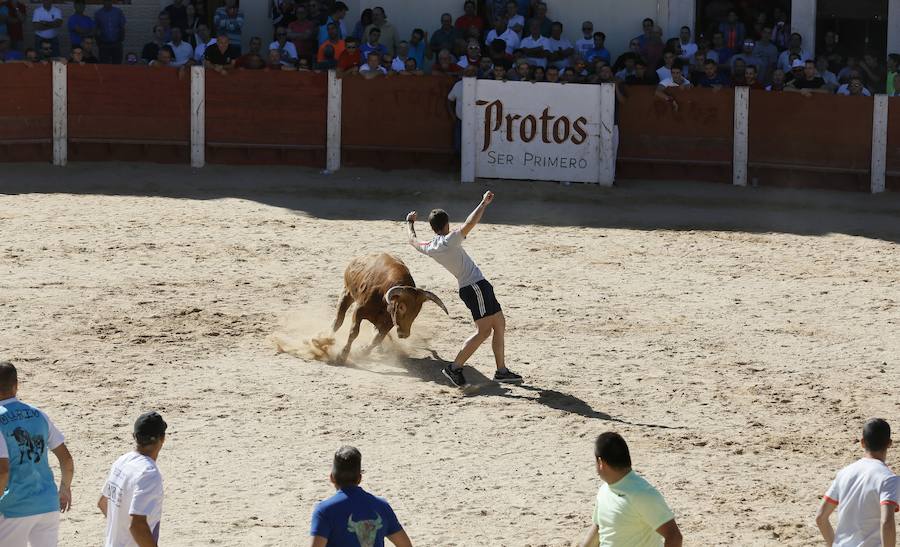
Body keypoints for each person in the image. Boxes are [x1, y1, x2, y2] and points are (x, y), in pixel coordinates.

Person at [406, 192, 523, 387]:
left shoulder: (431, 246)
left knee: (499, 323)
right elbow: (470, 223)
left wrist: (409, 222)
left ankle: (501, 371)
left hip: (475, 286)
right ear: (447, 224)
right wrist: (483, 203)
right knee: (484, 331)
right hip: (475, 287)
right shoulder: (449, 240)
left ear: (433, 228)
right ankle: (454, 367)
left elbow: (413, 240)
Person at [0, 361, 74, 547]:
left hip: (13, 506)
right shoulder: (39, 414)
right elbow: (66, 459)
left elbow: (2, 472)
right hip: (47, 503)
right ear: (16, 384)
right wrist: (64, 488)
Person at [576, 432, 682, 547]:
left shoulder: (643, 494)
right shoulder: (605, 489)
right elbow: (599, 527)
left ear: (600, 462)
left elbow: (674, 536)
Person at [817, 418, 899, 546]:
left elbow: (821, 518)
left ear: (862, 442)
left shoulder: (844, 473)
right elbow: (887, 522)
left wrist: (833, 544)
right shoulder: (889, 479)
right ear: (889, 443)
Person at [309, 446, 411, 547]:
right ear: (360, 478)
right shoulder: (381, 506)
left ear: (332, 478)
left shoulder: (324, 510)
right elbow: (405, 545)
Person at [99, 412, 167, 547]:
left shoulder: (122, 461)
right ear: (162, 438)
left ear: (134, 437)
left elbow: (102, 503)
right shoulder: (149, 473)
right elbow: (137, 525)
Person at [93, 0, 125, 64]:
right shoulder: (98, 13)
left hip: (116, 43)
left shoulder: (118, 12)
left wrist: (121, 39)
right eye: (106, 1)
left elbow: (122, 26)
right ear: (103, 2)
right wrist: (99, 43)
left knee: (117, 65)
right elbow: (96, 29)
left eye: (109, 1)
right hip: (104, 45)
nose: (108, 2)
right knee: (104, 66)